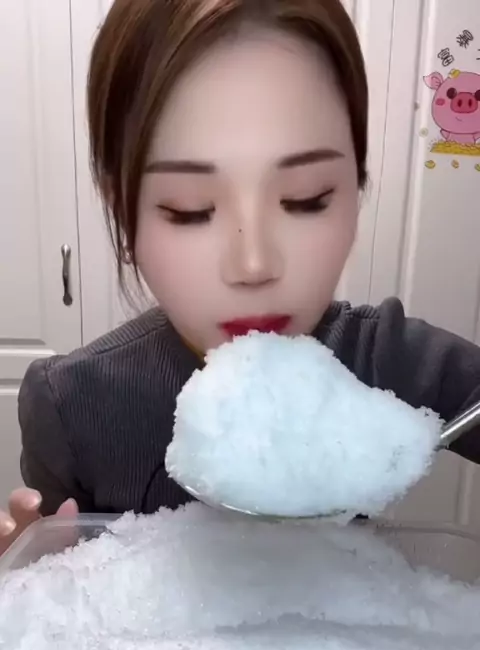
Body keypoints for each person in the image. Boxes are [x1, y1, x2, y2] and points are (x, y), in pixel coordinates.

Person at [1, 0, 480, 556]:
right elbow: (65, 579)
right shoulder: (70, 404)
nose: (254, 265)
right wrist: (33, 577)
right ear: (124, 214)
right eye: (189, 208)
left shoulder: (390, 363)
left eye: (306, 198)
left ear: (356, 188)